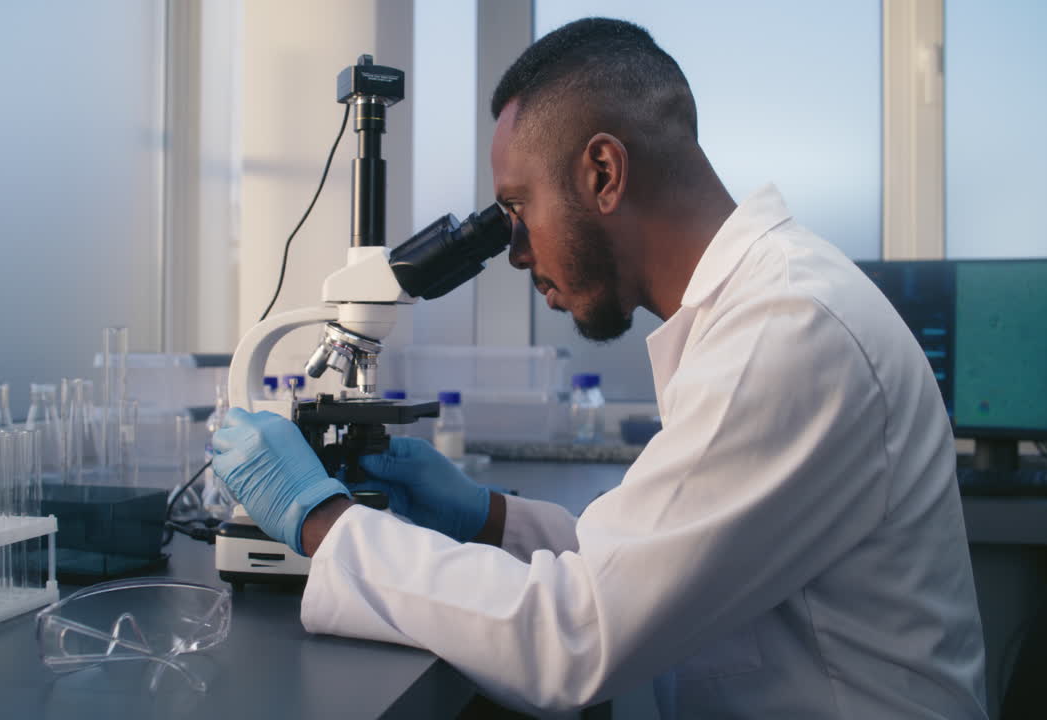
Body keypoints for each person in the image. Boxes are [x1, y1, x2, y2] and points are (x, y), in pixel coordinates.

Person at [211, 18, 988, 718]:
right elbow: (654, 563)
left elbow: (574, 641)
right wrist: (487, 517)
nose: (514, 253)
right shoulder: (751, 311)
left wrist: (321, 520)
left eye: (518, 210)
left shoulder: (789, 333)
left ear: (604, 174)